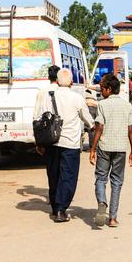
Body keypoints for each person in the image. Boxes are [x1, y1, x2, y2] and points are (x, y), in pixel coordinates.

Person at [34, 68, 94, 223]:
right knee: (68, 177)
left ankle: (55, 207)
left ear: (56, 81)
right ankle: (61, 209)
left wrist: (39, 142)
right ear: (72, 82)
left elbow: (40, 119)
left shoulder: (48, 97)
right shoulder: (77, 98)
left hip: (51, 142)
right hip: (70, 144)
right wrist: (93, 126)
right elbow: (87, 119)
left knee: (53, 175)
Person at [89, 74, 132, 228]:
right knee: (116, 182)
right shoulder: (127, 106)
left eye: (102, 88)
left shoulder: (102, 105)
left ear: (109, 89)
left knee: (101, 179)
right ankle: (113, 218)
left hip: (104, 147)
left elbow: (99, 128)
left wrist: (92, 149)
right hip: (121, 149)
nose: (101, 91)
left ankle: (102, 202)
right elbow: (130, 130)